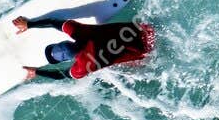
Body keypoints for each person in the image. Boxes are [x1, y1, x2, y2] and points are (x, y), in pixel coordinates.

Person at [13, 15, 153, 81]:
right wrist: (29, 24)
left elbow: (62, 75)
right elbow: (52, 22)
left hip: (148, 52)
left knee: (133, 64)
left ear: (66, 59)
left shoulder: (83, 66)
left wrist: (37, 72)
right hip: (146, 29)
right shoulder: (78, 31)